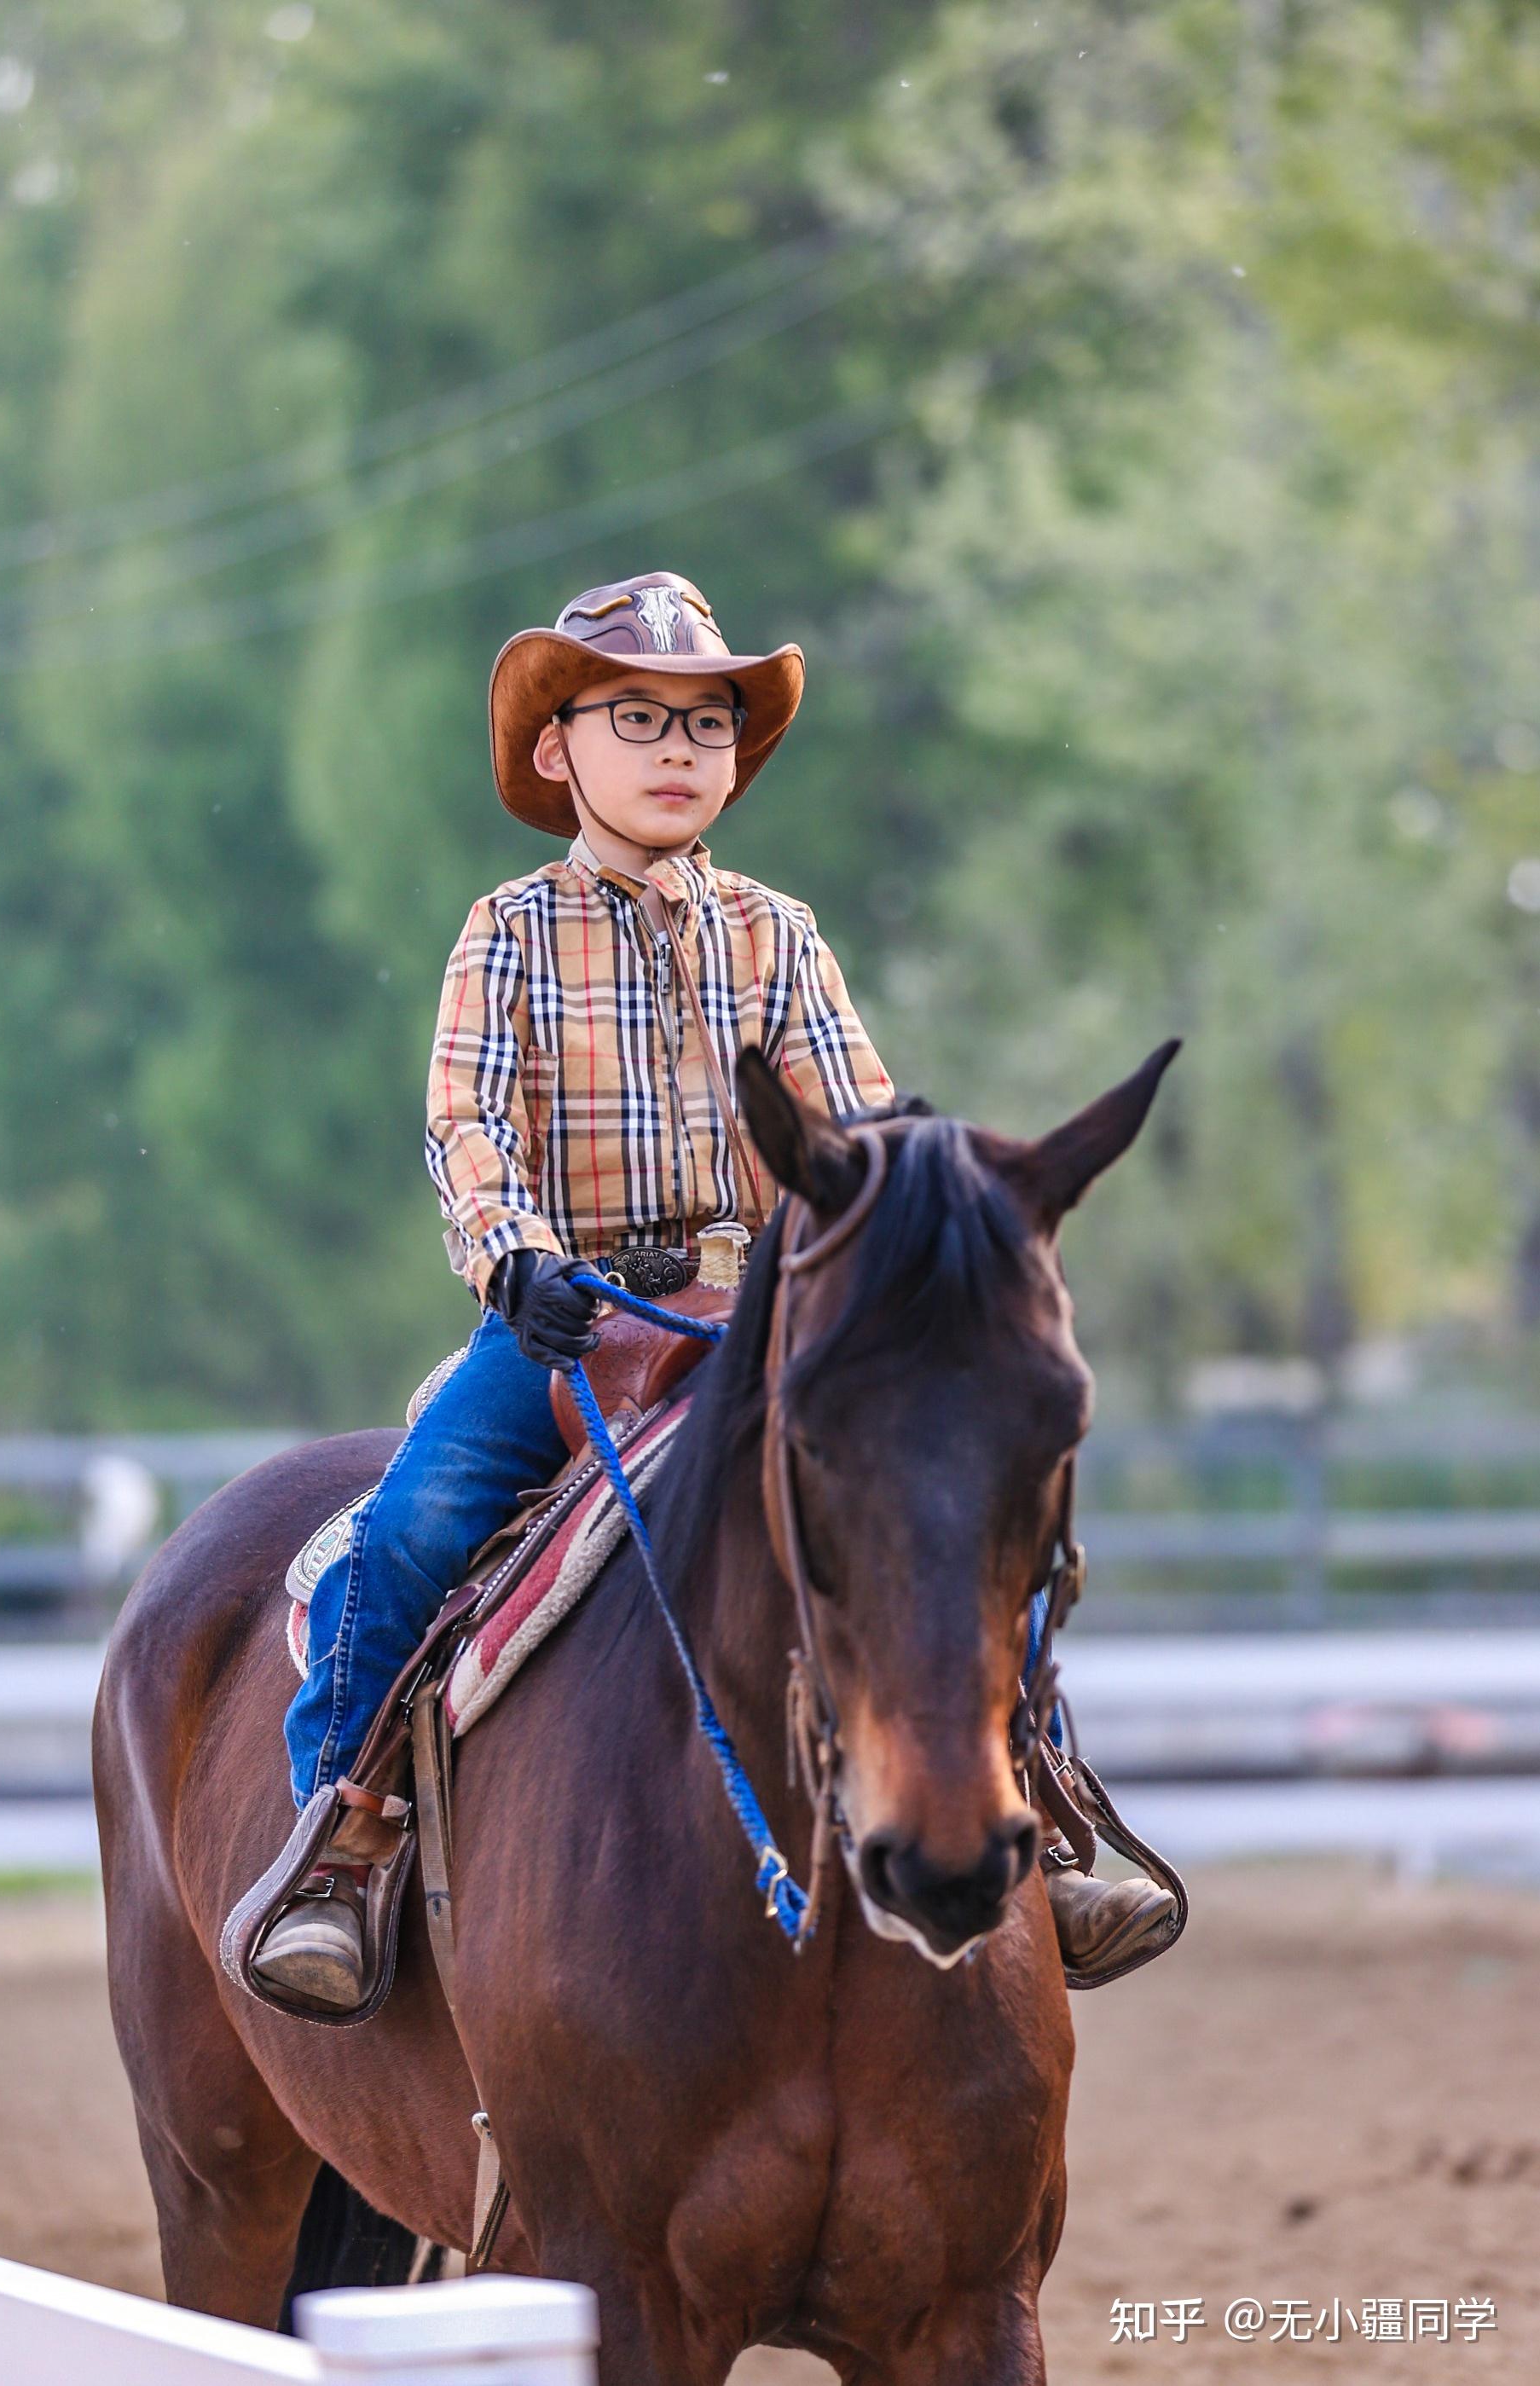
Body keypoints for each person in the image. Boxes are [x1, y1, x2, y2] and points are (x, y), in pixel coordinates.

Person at [246, 569, 1171, 2010]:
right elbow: (467, 1123)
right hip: (570, 1316)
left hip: (767, 1308)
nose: (681, 751)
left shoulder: (775, 932)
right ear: (558, 749)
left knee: (944, 1494)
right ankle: (341, 1845)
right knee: (419, 1519)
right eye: (639, 718)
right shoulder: (508, 934)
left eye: (708, 724)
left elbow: (853, 1123)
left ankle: (1032, 1806)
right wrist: (515, 1258)